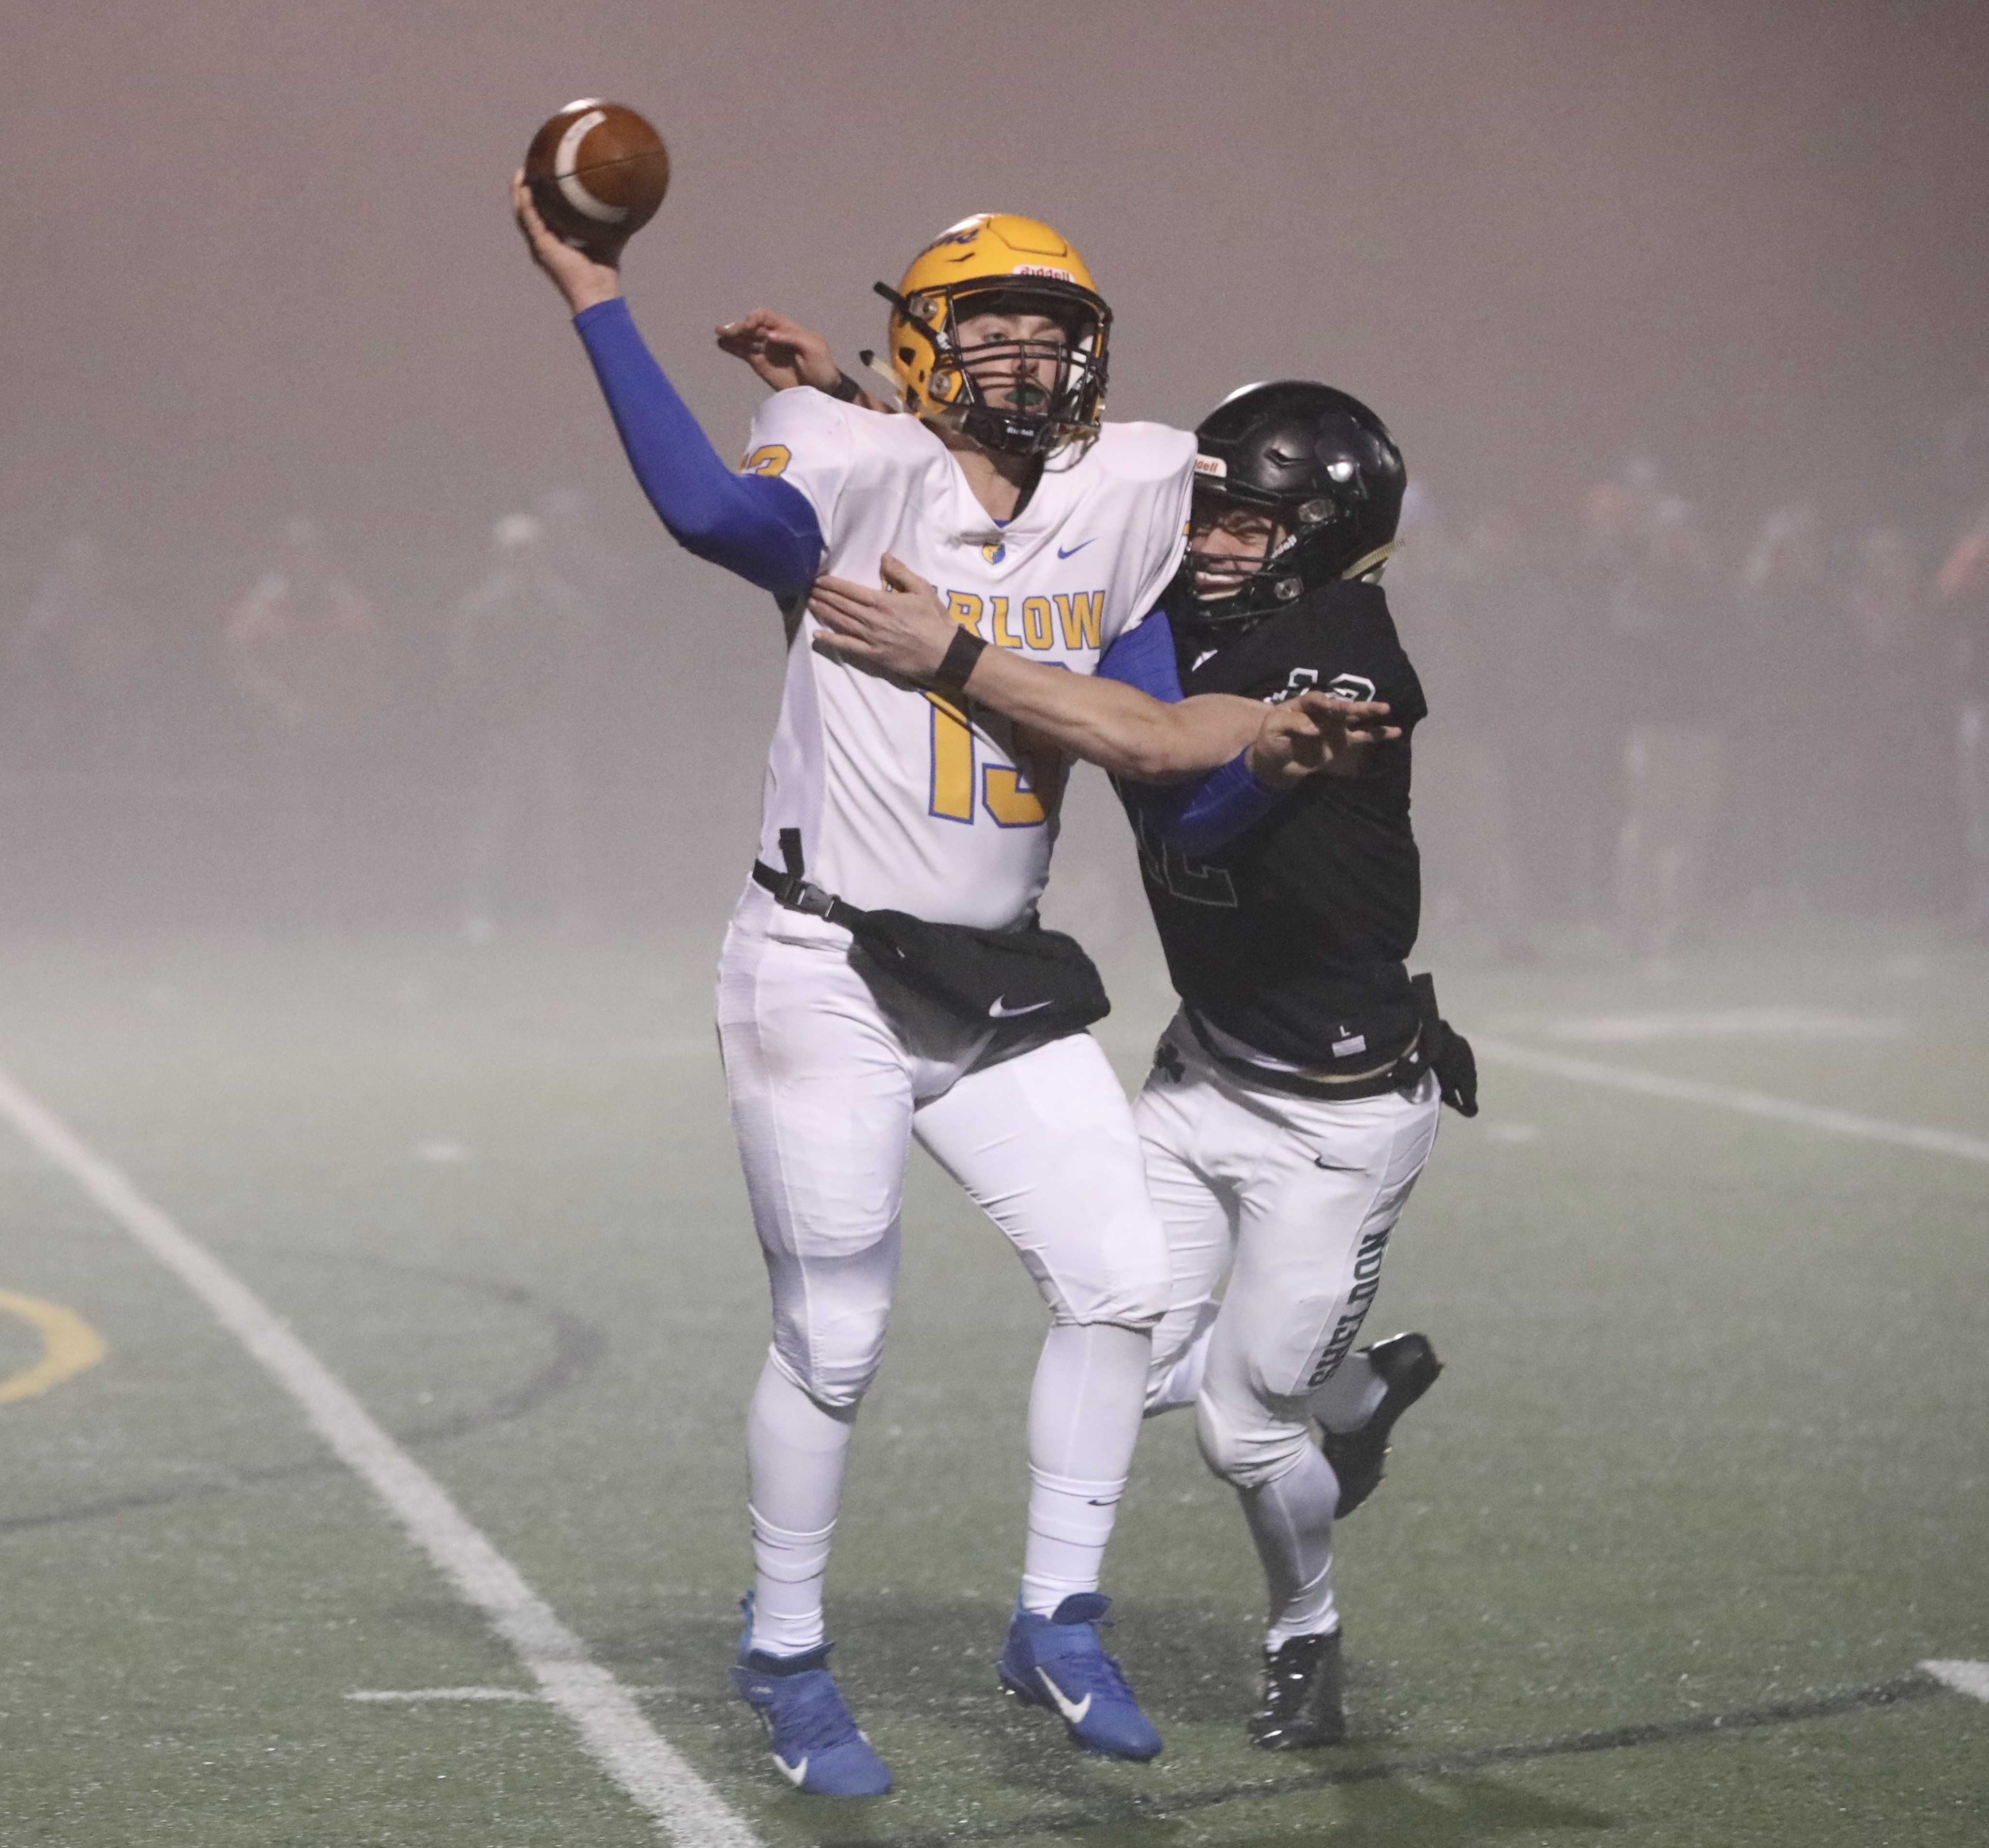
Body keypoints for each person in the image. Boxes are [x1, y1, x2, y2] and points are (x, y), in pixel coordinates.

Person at [511, 186, 1372, 1794]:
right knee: (836, 1333)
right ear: (920, 345)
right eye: (995, 328)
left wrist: (1296, 733)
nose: (1032, 359)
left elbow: (1172, 734)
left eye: (1057, 331)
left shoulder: (1130, 484)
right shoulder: (851, 460)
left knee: (1119, 1278)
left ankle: (1055, 1615)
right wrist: (597, 295)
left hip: (993, 969)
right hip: (823, 961)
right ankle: (784, 1650)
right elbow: (714, 516)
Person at [807, 379, 1473, 1750]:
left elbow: (1196, 796)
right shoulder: (1170, 613)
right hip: (1202, 1069)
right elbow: (1035, 541)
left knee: (1239, 1429)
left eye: (1248, 518)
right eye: (1207, 507)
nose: (1212, 536)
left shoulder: (1346, 647)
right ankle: (1347, 1395)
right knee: (1123, 1338)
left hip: (1337, 1117)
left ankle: (1306, 1630)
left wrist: (1269, 753)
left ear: (1323, 534)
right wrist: (869, 405)